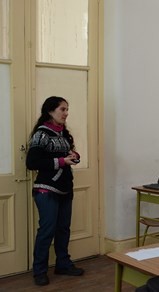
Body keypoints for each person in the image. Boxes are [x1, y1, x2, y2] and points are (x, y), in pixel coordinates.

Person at [26, 96, 84, 286]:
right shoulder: (41, 134)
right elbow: (32, 163)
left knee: (63, 229)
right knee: (47, 230)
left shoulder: (64, 134)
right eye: (62, 109)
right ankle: (39, 271)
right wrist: (60, 161)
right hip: (46, 190)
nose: (66, 113)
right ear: (50, 111)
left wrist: (74, 156)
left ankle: (63, 264)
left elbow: (68, 156)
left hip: (65, 188)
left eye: (67, 109)